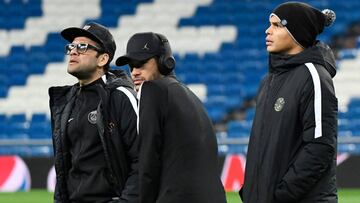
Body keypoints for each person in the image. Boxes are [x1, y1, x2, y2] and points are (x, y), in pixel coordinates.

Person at [240, 2, 338, 203]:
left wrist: (281, 194)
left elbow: (320, 147)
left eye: (277, 25)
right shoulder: (268, 81)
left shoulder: (314, 76)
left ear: (297, 32)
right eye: (269, 24)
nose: (268, 31)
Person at [116, 32, 227, 203]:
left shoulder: (151, 90)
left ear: (164, 62)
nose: (134, 73)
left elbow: (148, 161)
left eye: (141, 64)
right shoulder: (190, 95)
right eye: (131, 67)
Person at [49, 22, 139, 203]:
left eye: (82, 47)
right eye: (72, 47)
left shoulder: (120, 96)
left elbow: (142, 159)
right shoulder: (65, 101)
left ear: (102, 59)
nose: (73, 51)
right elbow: (63, 166)